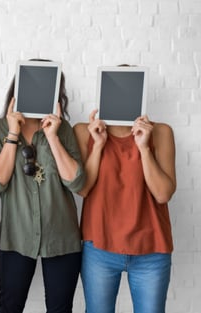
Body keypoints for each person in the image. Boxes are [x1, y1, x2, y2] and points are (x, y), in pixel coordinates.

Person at [0, 60, 85, 313]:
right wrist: (13, 133)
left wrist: (52, 136)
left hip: (62, 238)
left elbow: (77, 182)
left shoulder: (64, 130)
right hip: (16, 237)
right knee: (9, 308)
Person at [74, 103, 176, 311]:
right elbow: (82, 189)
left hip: (151, 248)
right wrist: (99, 145)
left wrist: (144, 148)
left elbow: (163, 194)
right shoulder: (85, 132)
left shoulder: (161, 132)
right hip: (99, 248)